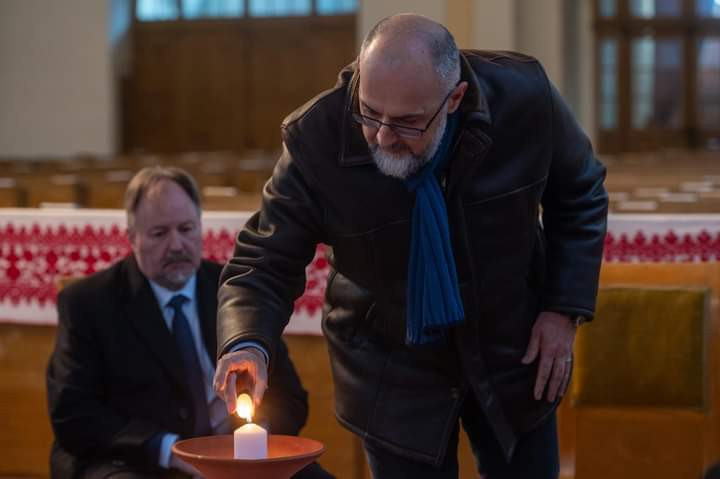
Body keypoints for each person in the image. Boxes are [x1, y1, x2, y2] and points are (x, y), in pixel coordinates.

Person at [213, 14, 608, 479]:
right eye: (368, 111)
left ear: (454, 98)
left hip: (513, 346)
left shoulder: (524, 98)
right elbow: (263, 259)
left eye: (407, 122)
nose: (382, 136)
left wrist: (562, 309)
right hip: (390, 364)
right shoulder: (316, 137)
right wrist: (247, 342)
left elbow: (581, 193)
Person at [46, 167, 332, 478]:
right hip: (138, 461)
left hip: (235, 459)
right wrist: (167, 449)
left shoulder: (239, 291)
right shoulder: (88, 302)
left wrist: (256, 432)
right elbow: (73, 414)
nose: (177, 245)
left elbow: (290, 398)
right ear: (132, 238)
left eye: (186, 228)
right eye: (159, 233)